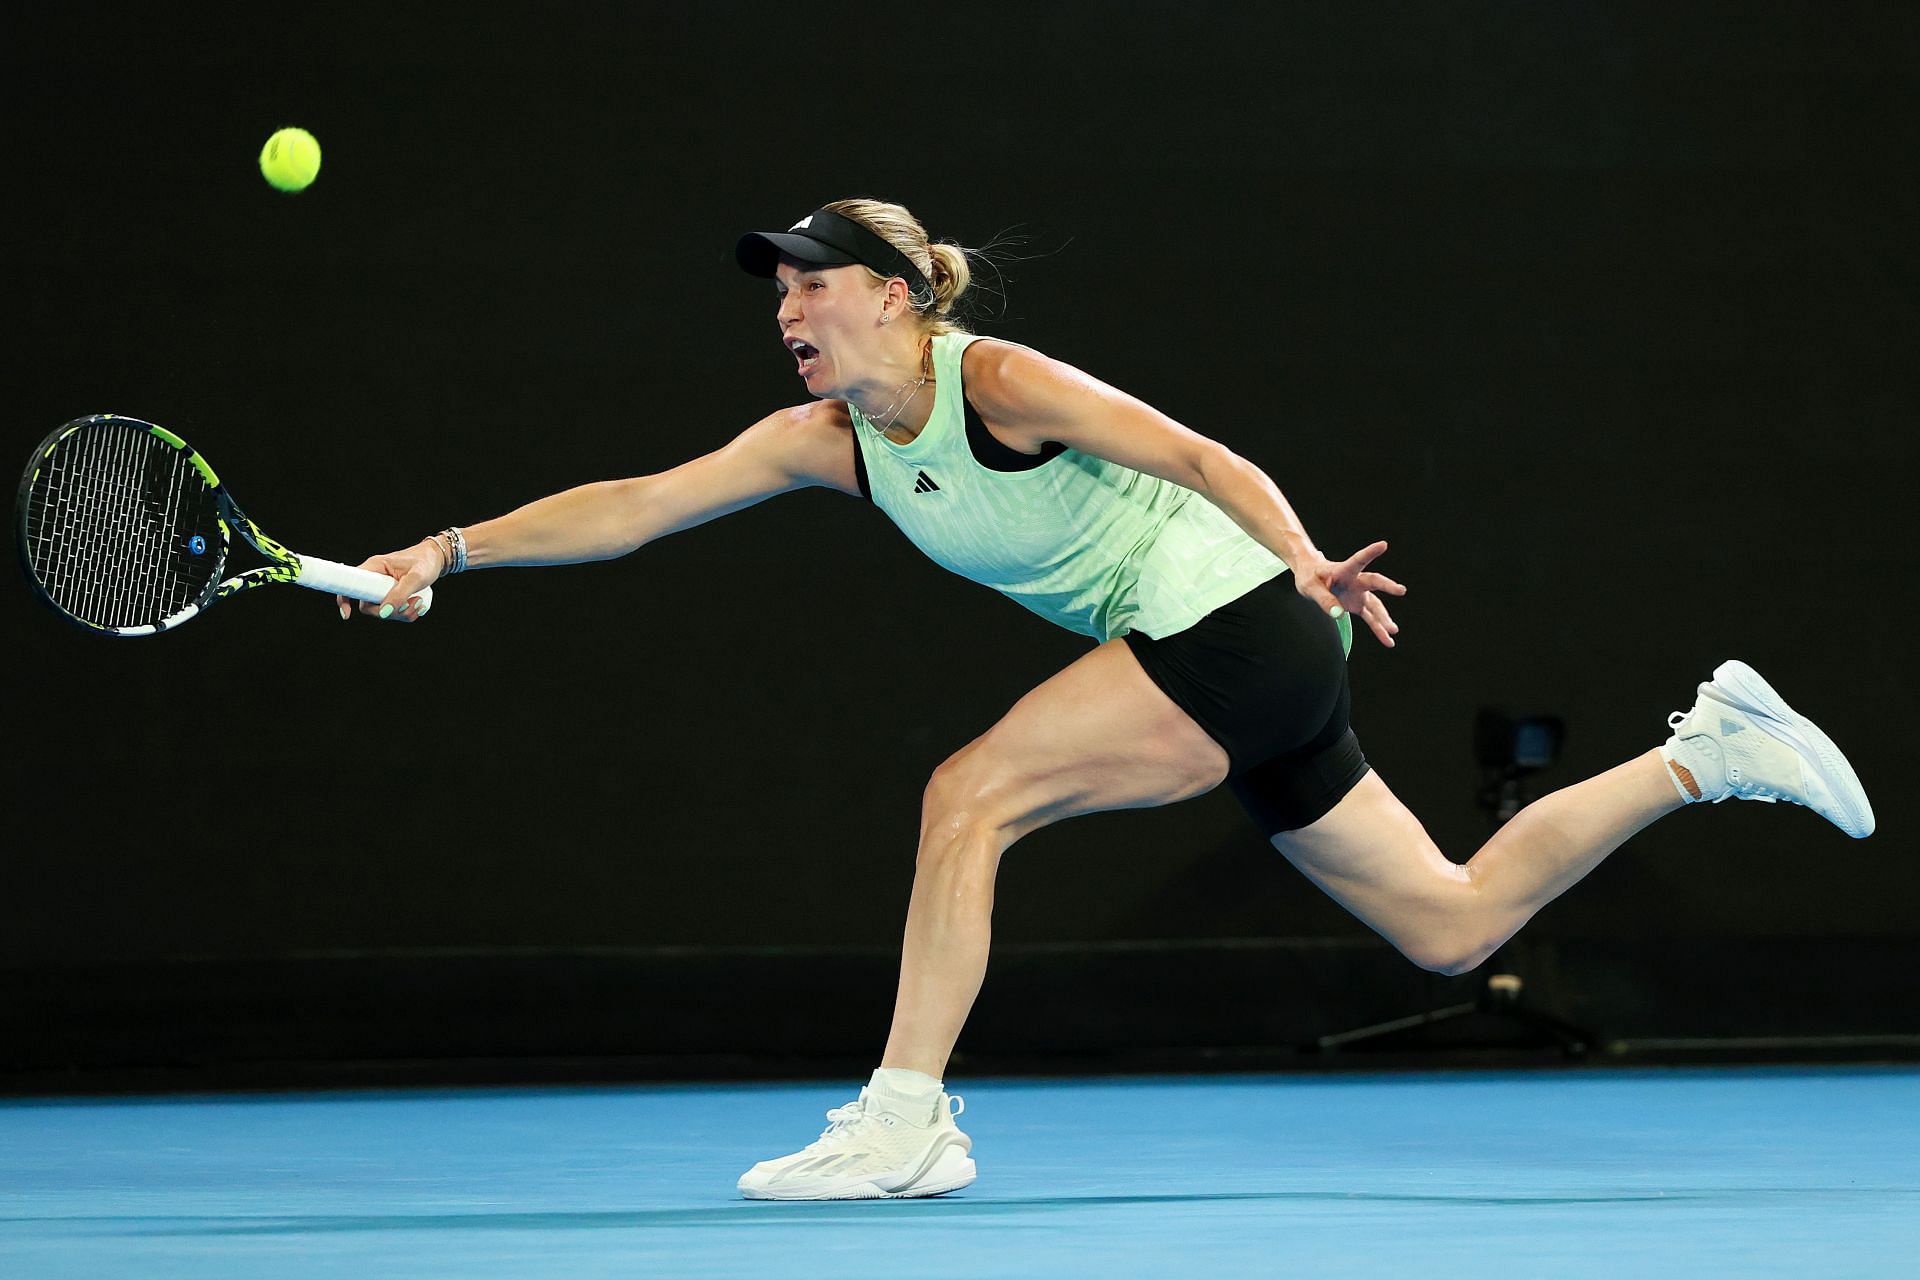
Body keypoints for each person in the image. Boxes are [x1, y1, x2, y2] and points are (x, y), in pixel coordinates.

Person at [343, 198, 1876, 1201]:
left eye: (817, 284)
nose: (791, 308)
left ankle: (905, 1113)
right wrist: (448, 552)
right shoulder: (826, 438)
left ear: (895, 295)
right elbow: (632, 504)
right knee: (1451, 924)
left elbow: (1199, 456)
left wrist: (1305, 561)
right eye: (780, 292)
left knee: (971, 792)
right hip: (1238, 659)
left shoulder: (992, 378)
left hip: (1241, 618)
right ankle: (1707, 750)